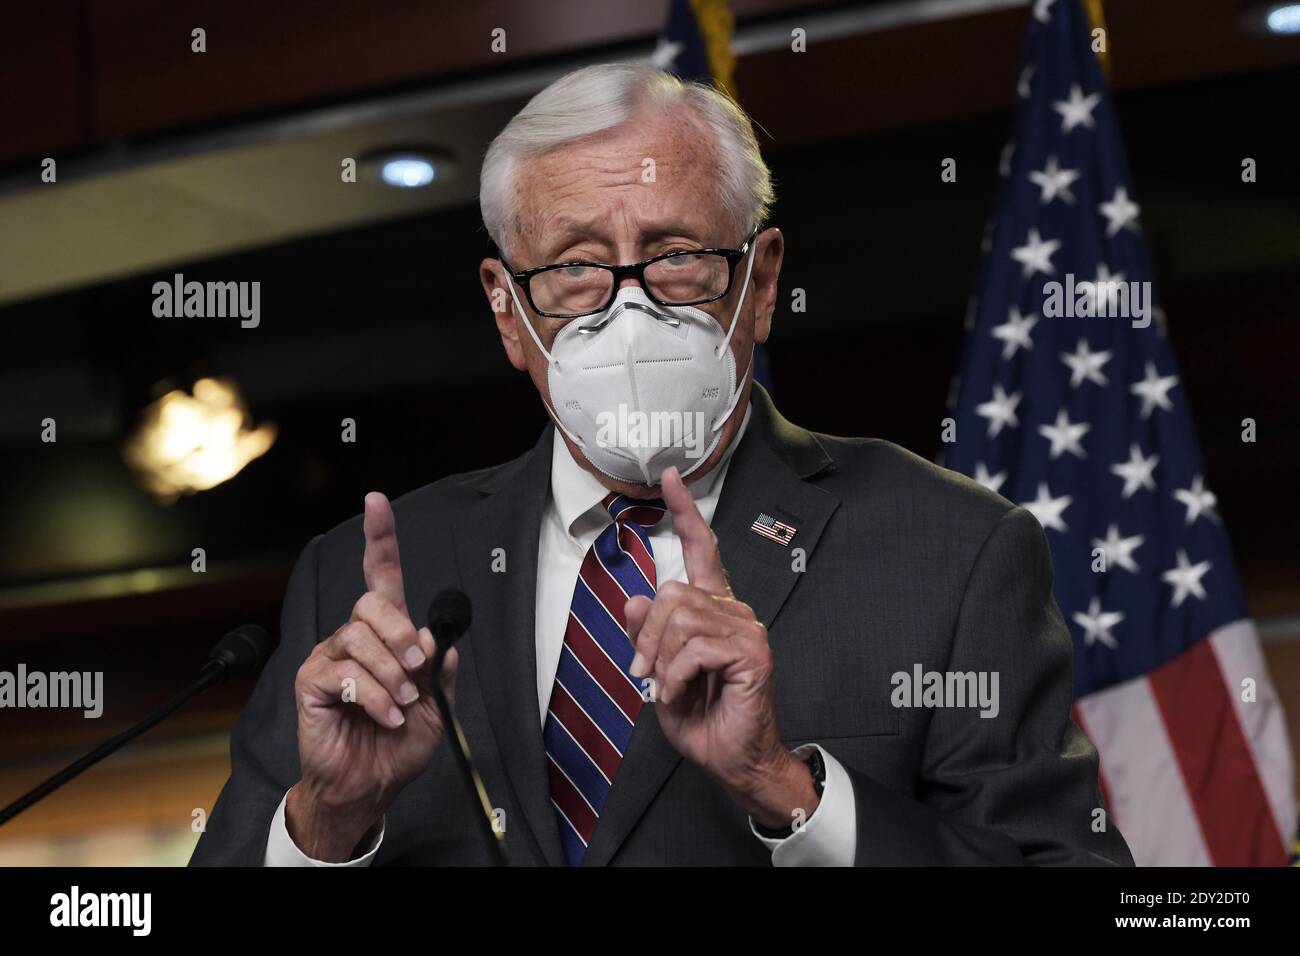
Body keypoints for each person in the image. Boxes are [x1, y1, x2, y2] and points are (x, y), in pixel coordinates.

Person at [190, 63, 1132, 867]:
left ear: (760, 285)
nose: (626, 311)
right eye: (574, 266)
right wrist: (324, 826)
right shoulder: (361, 578)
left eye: (676, 255)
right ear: (507, 311)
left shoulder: (950, 550)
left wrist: (790, 792)